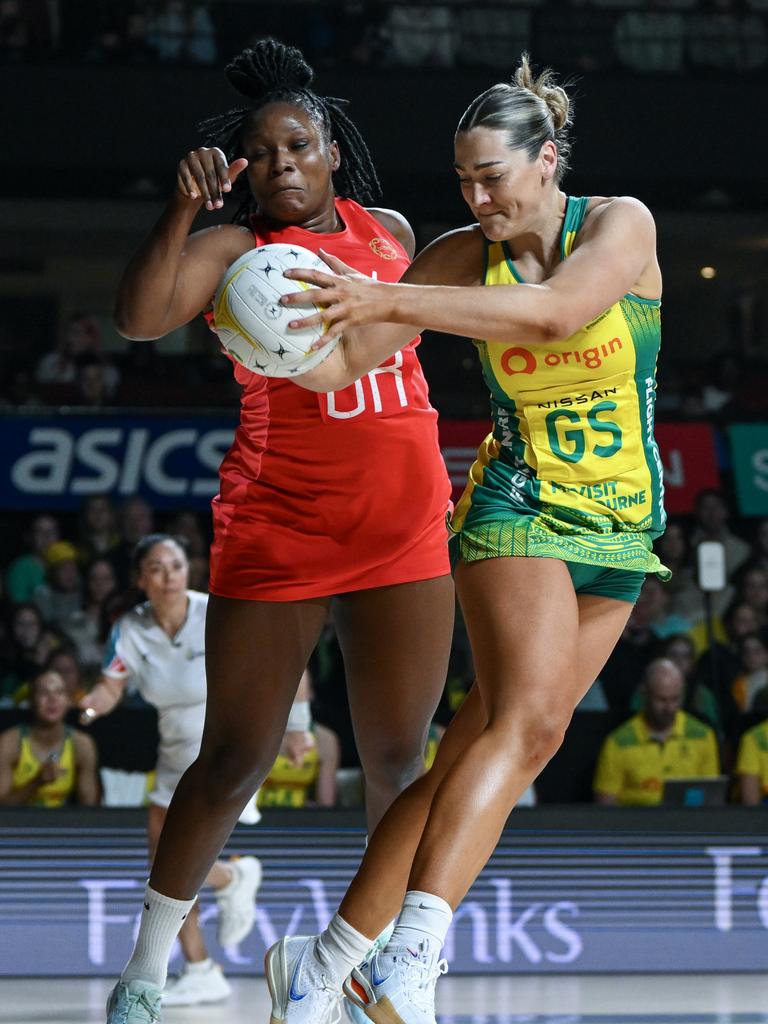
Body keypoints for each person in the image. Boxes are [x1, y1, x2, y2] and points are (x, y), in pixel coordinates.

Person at [261, 54, 669, 1024]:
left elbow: (561, 309)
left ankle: (322, 963)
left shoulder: (620, 224)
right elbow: (347, 356)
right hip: (515, 507)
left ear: (547, 161)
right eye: (462, 180)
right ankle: (408, 959)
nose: (476, 196)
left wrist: (389, 298)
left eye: (491, 176)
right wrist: (272, 325)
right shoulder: (455, 257)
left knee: (476, 750)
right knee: (528, 722)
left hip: (621, 525)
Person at [103, 38, 453, 1019]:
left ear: (331, 146)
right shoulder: (227, 248)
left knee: (398, 762)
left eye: (299, 144)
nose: (283, 163)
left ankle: (359, 967)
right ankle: (144, 973)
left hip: (405, 527)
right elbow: (136, 318)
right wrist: (181, 208)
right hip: (280, 526)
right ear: (243, 169)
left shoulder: (390, 226)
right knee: (232, 759)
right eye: (263, 153)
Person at [80, 533, 264, 1008]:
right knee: (163, 863)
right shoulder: (130, 628)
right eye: (157, 569)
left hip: (224, 741)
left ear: (190, 571)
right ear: (141, 579)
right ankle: (202, 964)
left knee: (178, 856)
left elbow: (279, 666)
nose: (169, 577)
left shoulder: (214, 612)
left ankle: (230, 884)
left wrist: (299, 726)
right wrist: (90, 709)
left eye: (177, 566)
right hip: (172, 749)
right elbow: (110, 686)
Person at [594, 658, 720, 806]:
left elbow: (712, 799)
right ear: (645, 694)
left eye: (675, 699)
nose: (669, 708)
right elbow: (605, 803)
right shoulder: (618, 742)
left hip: (688, 825)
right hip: (635, 825)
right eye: (662, 700)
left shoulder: (703, 736)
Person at [0, 668, 99, 807]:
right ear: (32, 700)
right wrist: (36, 782)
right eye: (44, 693)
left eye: (59, 692)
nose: (52, 699)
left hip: (62, 825)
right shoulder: (9, 743)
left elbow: (89, 807)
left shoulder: (82, 744)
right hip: (17, 826)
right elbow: (2, 808)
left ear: (68, 701)